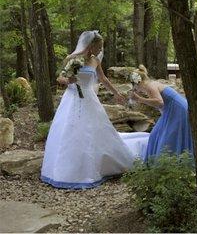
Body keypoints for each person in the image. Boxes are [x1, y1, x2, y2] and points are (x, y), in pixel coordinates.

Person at [41, 31, 135, 189]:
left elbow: (103, 79)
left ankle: (98, 166)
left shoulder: (95, 61)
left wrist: (116, 93)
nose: (100, 50)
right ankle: (67, 171)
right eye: (99, 47)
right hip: (72, 99)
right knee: (70, 132)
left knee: (92, 131)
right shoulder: (72, 59)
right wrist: (68, 80)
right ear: (91, 46)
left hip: (89, 98)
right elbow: (60, 78)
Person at [127, 65, 194, 161]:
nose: (136, 90)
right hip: (172, 110)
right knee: (156, 133)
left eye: (135, 87)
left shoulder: (150, 86)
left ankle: (172, 163)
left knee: (170, 136)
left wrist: (139, 99)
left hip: (178, 110)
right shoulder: (150, 85)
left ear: (138, 83)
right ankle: (159, 163)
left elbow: (160, 103)